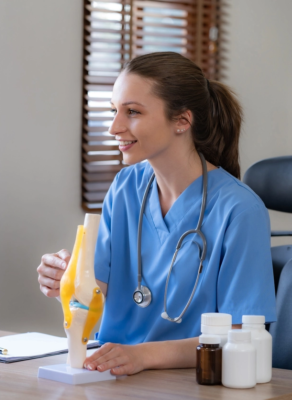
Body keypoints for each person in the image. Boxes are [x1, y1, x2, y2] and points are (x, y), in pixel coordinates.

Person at [37, 52, 276, 376]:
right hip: (109, 374)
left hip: (189, 384)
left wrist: (142, 356)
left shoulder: (240, 210)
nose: (114, 127)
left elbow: (240, 336)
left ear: (182, 120)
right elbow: (95, 292)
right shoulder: (125, 187)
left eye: (132, 112)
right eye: (114, 110)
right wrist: (67, 280)